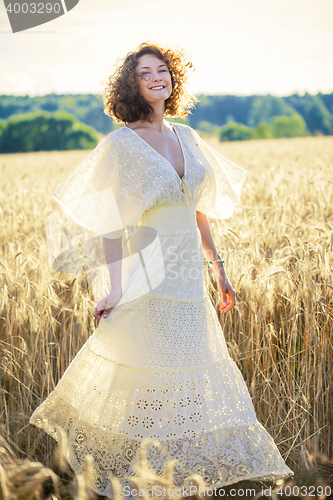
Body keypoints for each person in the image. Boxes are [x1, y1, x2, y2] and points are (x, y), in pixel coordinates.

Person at [29, 42, 293, 498]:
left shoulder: (187, 137)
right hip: (147, 271)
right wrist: (113, 287)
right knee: (141, 372)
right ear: (131, 85)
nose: (157, 77)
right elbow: (109, 224)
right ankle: (122, 477)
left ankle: (172, 476)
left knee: (189, 370)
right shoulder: (120, 145)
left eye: (163, 69)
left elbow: (198, 209)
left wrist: (219, 268)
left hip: (190, 277)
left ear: (173, 80)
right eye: (145, 72)